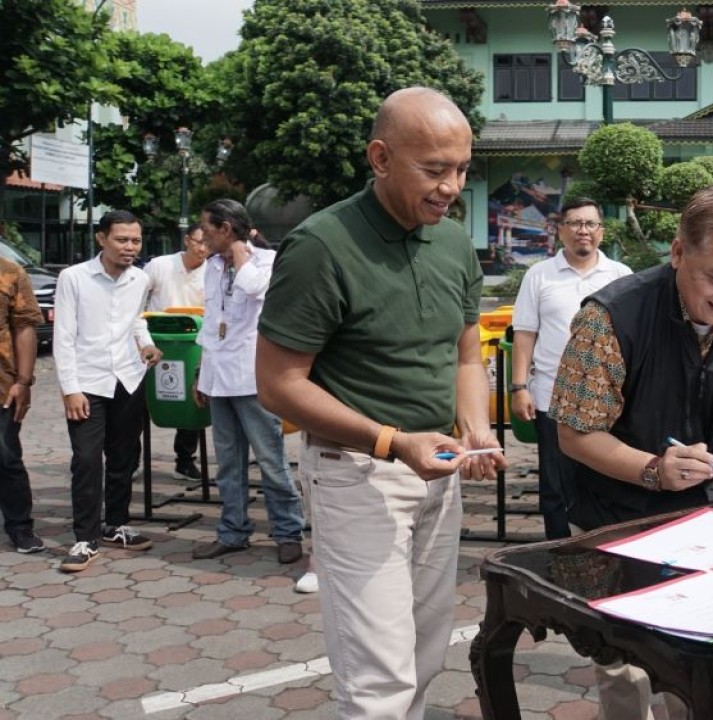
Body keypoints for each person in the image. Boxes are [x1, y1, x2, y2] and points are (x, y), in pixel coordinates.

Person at [255, 87, 503, 718]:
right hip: (358, 475)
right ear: (381, 157)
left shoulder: (450, 243)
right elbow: (279, 384)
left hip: (438, 472)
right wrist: (393, 443)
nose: (452, 187)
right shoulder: (321, 245)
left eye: (463, 169)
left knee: (422, 659)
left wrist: (475, 428)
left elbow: (467, 356)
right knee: (377, 681)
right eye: (435, 169)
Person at [551, 185, 713, 720]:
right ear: (678, 252)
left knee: (697, 656)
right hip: (610, 513)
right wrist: (650, 470)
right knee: (624, 662)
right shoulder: (611, 316)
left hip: (699, 510)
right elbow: (575, 434)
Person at [190, 199, 305, 564]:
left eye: (209, 231)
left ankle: (288, 532)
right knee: (228, 463)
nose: (203, 238)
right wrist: (201, 375)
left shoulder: (267, 262)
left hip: (254, 379)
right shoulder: (210, 267)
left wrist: (239, 250)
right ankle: (233, 531)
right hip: (220, 379)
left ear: (226, 229)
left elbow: (257, 289)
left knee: (271, 462)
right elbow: (212, 324)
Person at [510, 196, 631, 540]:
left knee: (607, 480)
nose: (583, 231)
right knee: (555, 486)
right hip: (551, 398)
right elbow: (525, 333)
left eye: (590, 224)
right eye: (575, 224)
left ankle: (602, 550)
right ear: (560, 231)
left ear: (601, 231)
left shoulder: (621, 276)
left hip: (608, 402)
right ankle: (559, 556)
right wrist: (519, 388)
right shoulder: (539, 275)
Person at [54, 210, 163, 573]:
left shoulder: (140, 279)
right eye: (122, 239)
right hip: (88, 382)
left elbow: (136, 320)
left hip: (129, 379)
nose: (130, 247)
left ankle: (116, 525)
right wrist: (71, 389)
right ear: (101, 239)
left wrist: (146, 344)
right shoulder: (74, 278)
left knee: (125, 457)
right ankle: (85, 538)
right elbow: (64, 337)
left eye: (135, 240)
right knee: (86, 459)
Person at [143, 224, 207, 481]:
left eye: (208, 244)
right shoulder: (159, 266)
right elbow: (138, 296)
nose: (203, 248)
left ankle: (184, 460)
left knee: (190, 401)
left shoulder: (212, 271)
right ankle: (132, 458)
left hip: (191, 342)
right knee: (141, 401)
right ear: (187, 239)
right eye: (198, 242)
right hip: (155, 341)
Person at [0, 256, 45, 554]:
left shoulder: (10, 272)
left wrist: (24, 382)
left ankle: (20, 527)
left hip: (2, 386)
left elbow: (25, 327)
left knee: (5, 457)